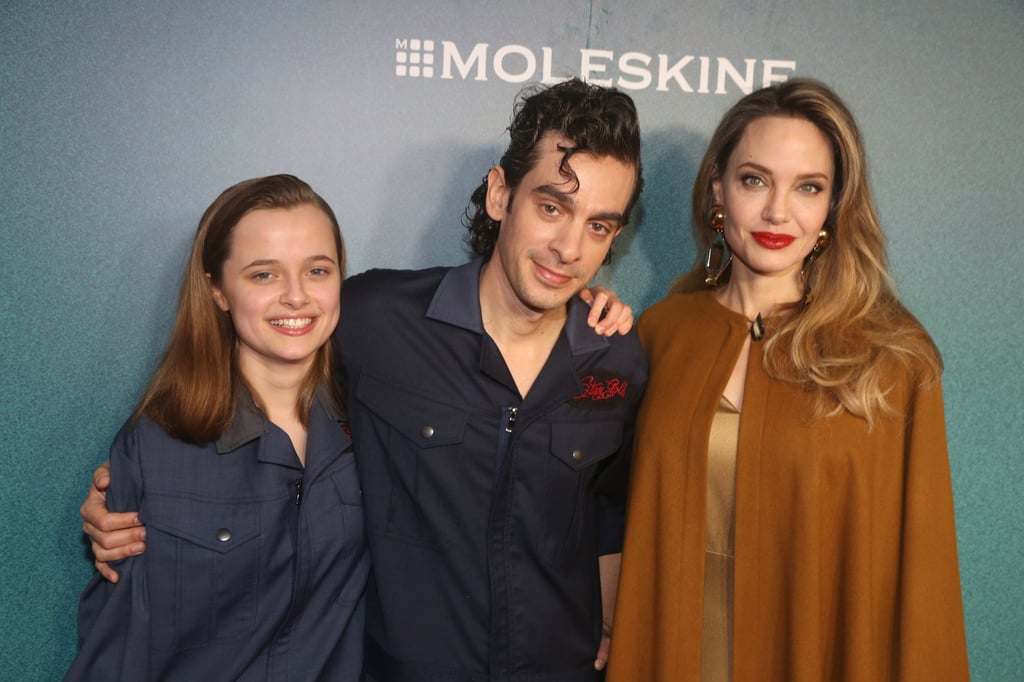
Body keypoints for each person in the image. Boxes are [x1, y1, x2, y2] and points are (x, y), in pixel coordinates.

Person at [80, 78, 648, 681]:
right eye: (553, 206)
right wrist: (135, 488)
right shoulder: (376, 317)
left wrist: (609, 623)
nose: (567, 247)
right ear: (501, 194)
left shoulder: (615, 357)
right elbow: (271, 344)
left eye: (598, 226)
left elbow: (608, 505)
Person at [606, 78, 969, 681]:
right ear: (718, 187)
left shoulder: (891, 357)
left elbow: (924, 575)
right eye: (755, 180)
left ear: (834, 205)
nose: (779, 211)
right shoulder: (660, 334)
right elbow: (607, 508)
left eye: (808, 187)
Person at [65, 175, 371, 680]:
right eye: (263, 275)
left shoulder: (379, 420)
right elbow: (118, 650)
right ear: (217, 289)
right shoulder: (158, 442)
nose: (297, 297)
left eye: (317, 269)